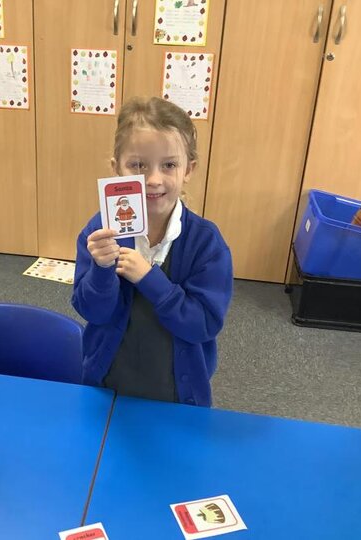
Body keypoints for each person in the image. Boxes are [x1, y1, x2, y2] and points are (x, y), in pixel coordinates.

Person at [72, 97, 233, 407]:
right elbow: (93, 312)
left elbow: (203, 324)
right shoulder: (100, 231)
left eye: (169, 165)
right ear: (116, 168)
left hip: (176, 395)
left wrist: (150, 279)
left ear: (188, 169)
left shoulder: (206, 243)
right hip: (107, 386)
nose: (153, 180)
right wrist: (102, 271)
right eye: (138, 165)